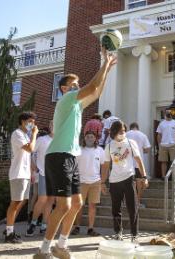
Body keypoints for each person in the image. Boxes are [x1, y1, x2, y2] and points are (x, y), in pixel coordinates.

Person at [34, 47, 117, 259]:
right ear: (63, 89)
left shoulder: (77, 105)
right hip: (58, 155)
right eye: (72, 84)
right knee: (64, 205)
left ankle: (61, 246)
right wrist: (104, 63)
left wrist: (107, 70)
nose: (76, 86)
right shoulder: (67, 99)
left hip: (70, 157)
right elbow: (92, 86)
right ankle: (44, 250)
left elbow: (97, 91)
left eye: (77, 84)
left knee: (77, 204)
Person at [101, 120, 148, 245]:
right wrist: (102, 182)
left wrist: (144, 176)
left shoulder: (130, 142)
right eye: (121, 131)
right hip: (114, 181)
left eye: (124, 131)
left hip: (129, 178)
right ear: (114, 132)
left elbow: (138, 160)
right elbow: (105, 166)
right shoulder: (109, 146)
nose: (123, 133)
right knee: (116, 209)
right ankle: (118, 233)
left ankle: (134, 235)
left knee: (133, 208)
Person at [5, 112, 39, 243]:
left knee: (21, 202)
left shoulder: (25, 135)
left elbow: (28, 156)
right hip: (17, 173)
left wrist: (31, 172)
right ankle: (9, 233)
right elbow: (30, 148)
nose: (32, 124)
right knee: (15, 203)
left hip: (24, 174)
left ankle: (9, 226)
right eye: (30, 121)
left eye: (33, 122)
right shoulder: (17, 134)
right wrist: (35, 134)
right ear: (22, 121)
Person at [71, 131, 104, 236]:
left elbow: (104, 165)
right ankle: (77, 227)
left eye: (92, 137)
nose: (90, 138)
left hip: (95, 182)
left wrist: (102, 181)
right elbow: (73, 165)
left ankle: (90, 228)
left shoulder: (100, 150)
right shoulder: (79, 150)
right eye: (88, 137)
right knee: (78, 205)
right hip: (81, 182)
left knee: (92, 206)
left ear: (95, 139)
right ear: (84, 138)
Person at [26, 121, 55, 237]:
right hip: (43, 173)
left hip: (56, 176)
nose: (54, 127)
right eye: (53, 125)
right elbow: (30, 151)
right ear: (50, 127)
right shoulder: (42, 140)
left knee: (50, 201)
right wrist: (32, 165)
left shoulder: (61, 141)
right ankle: (33, 223)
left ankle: (44, 225)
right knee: (42, 199)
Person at [126, 122, 151, 208]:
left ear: (130, 127)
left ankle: (127, 203)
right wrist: (140, 151)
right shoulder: (142, 135)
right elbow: (147, 149)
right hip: (138, 164)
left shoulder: (126, 134)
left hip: (127, 164)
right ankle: (137, 202)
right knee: (139, 184)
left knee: (128, 184)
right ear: (137, 127)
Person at [156, 109, 175, 179]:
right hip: (163, 145)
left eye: (170, 113)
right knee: (163, 161)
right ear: (165, 113)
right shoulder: (161, 123)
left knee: (174, 161)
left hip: (173, 144)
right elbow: (159, 135)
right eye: (167, 113)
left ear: (172, 114)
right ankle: (163, 176)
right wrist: (159, 144)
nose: (168, 114)